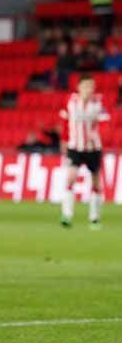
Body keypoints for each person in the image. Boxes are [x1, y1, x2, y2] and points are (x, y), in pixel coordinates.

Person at [59, 73, 110, 230]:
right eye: (86, 86)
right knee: (71, 178)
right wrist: (64, 141)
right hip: (75, 147)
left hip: (93, 149)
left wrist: (98, 136)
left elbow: (106, 123)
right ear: (79, 87)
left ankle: (94, 218)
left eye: (91, 86)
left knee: (96, 181)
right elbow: (64, 121)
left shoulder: (98, 103)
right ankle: (67, 215)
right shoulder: (71, 101)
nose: (89, 89)